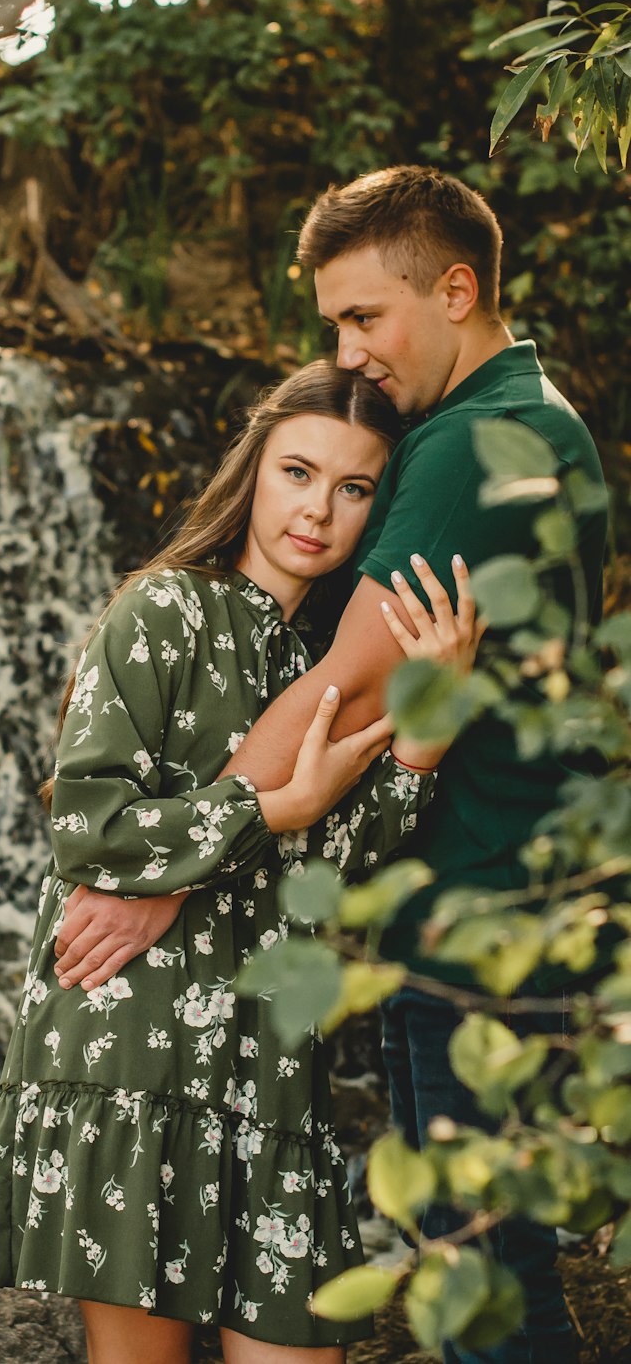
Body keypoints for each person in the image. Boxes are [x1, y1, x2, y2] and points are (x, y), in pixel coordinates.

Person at [53, 167, 609, 1364]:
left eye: (364, 318)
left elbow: (345, 689)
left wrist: (159, 868)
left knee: (490, 1301)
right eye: (333, 330)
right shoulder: (519, 417)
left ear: (454, 290)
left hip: (485, 931)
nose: (350, 355)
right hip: (484, 919)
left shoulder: (475, 441)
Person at [0, 362, 481, 1363]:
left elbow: (334, 863)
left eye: (354, 488)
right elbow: (92, 830)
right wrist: (271, 802)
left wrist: (424, 730)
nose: (317, 510)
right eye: (297, 471)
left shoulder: (329, 660)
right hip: (133, 1044)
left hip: (269, 1064)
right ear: (254, 470)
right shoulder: (165, 609)